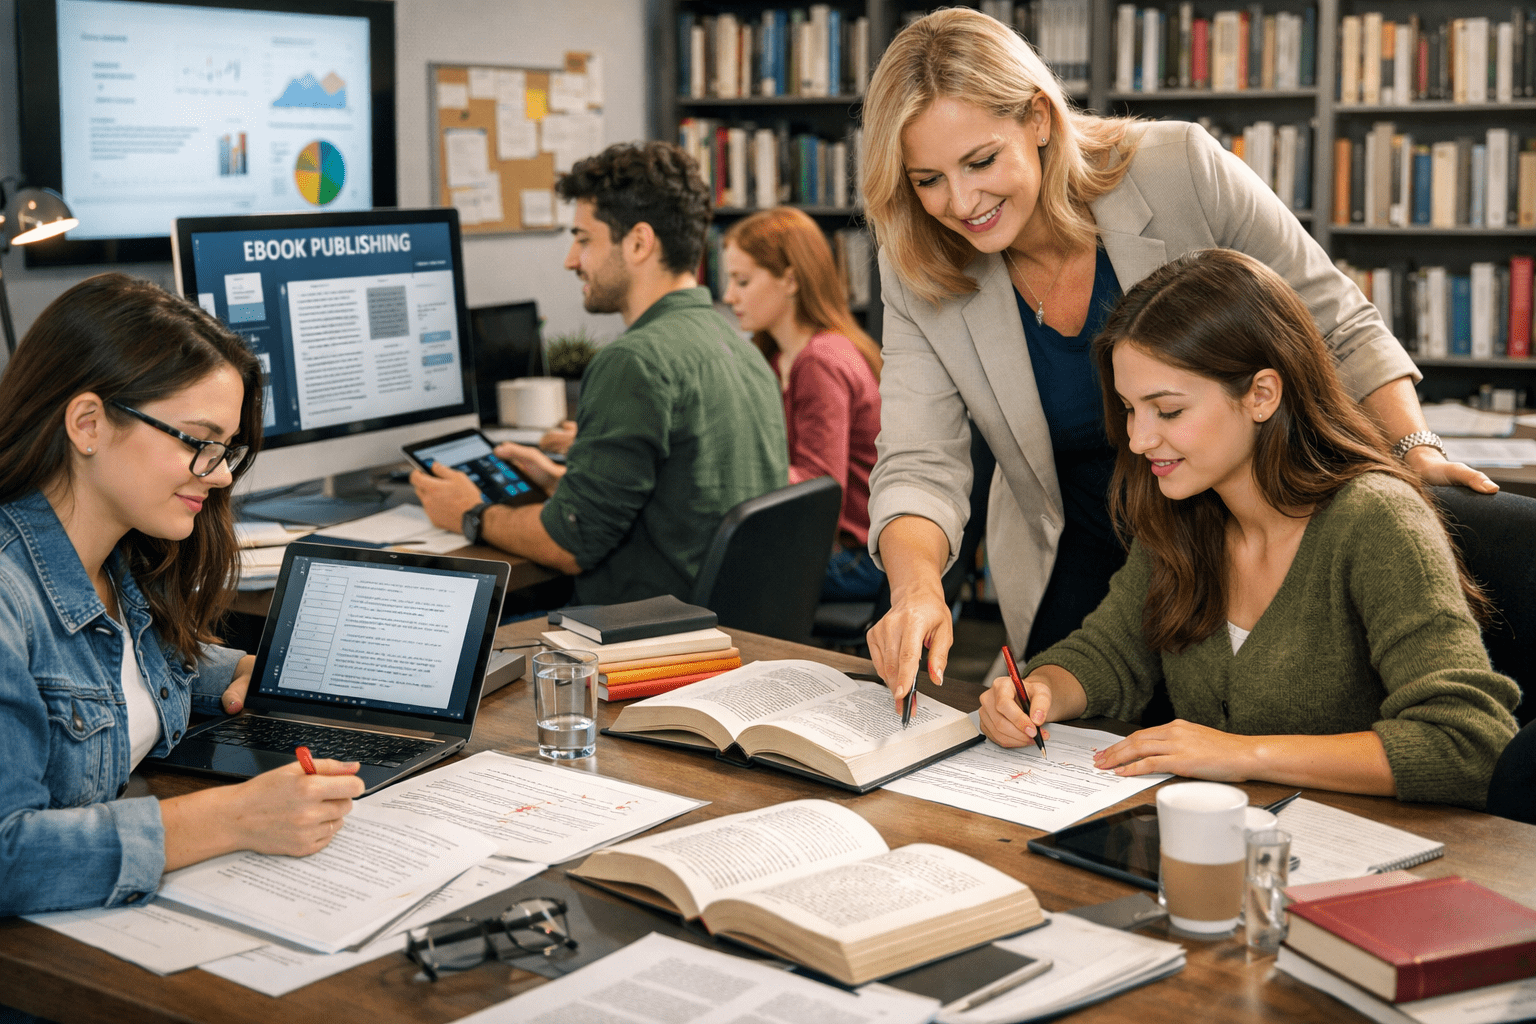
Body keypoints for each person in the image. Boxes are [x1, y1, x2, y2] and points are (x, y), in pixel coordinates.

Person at [859, 8, 1497, 707]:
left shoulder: (1177, 168)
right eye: (927, 180)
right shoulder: (917, 258)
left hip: (1229, 526)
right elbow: (921, 460)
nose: (962, 201)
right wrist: (916, 588)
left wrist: (1415, 449)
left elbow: (1337, 324)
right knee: (1060, 734)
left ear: (1039, 119)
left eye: (980, 161)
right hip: (1078, 543)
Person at [978, 250, 1519, 808]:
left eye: (1167, 412)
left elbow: (1469, 743)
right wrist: (1040, 692)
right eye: (1128, 409)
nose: (1138, 440)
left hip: (1367, 861)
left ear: (1262, 394)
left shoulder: (1377, 521)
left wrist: (1243, 753)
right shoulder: (1181, 512)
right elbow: (1110, 653)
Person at [0, 274, 365, 920]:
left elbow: (140, 668)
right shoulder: (9, 595)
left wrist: (249, 671)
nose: (221, 474)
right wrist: (236, 816)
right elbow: (6, 858)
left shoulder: (119, 559)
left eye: (225, 449)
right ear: (87, 423)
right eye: (199, 443)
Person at [412, 142, 788, 604]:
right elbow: (685, 494)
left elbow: (569, 544)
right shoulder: (739, 346)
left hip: (642, 643)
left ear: (637, 243)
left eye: (584, 239)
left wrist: (470, 512)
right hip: (723, 634)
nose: (572, 260)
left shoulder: (634, 361)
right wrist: (566, 483)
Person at [721, 208, 885, 602]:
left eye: (742, 280)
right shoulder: (779, 357)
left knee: (706, 571)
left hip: (855, 557)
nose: (729, 296)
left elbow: (818, 487)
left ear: (791, 280)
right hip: (834, 547)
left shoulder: (820, 361)